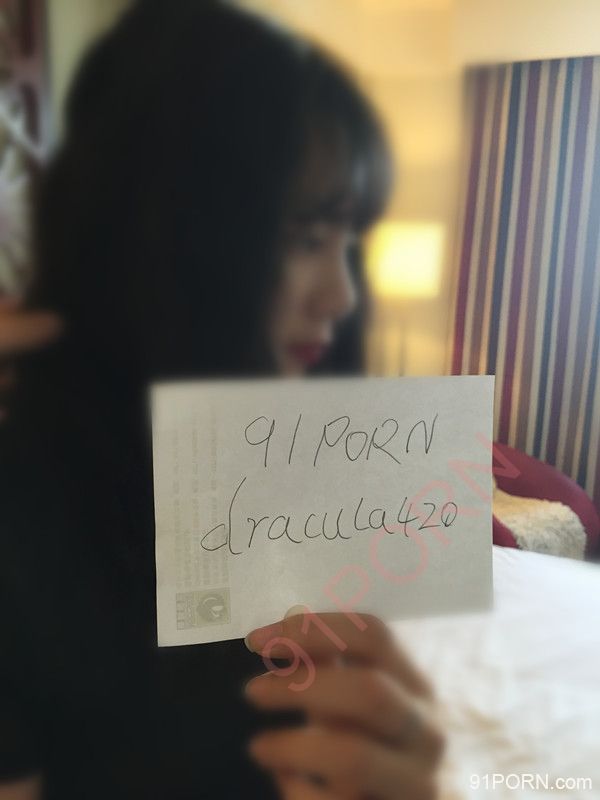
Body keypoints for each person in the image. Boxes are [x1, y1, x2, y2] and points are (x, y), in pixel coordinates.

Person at [0, 1, 444, 798]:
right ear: (170, 239)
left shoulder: (300, 472)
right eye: (303, 238)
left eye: (350, 241)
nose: (343, 295)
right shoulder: (30, 514)